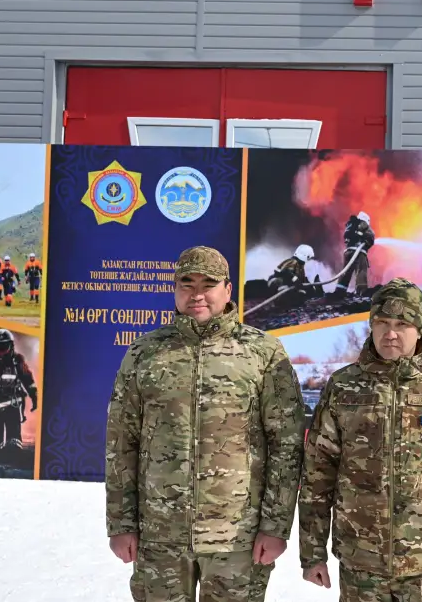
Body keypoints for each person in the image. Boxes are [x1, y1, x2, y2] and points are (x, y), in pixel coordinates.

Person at [105, 245, 306, 602]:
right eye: (187, 283)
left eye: (208, 284)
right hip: (160, 535)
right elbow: (122, 443)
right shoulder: (144, 354)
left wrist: (275, 527)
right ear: (175, 289)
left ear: (227, 290)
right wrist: (121, 524)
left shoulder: (262, 353)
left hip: (236, 538)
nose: (197, 293)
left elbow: (286, 446)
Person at [299, 277, 422, 602]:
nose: (390, 333)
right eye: (382, 322)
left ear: (420, 329)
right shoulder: (344, 387)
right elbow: (317, 474)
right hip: (360, 562)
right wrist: (312, 551)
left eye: (402, 323)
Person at [0, 328, 38, 448]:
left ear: (11, 346)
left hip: (11, 407)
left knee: (13, 443)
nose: (0, 352)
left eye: (3, 347)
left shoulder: (17, 361)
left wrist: (34, 396)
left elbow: (27, 380)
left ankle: (12, 457)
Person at [334, 211, 375, 297]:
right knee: (361, 271)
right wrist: (367, 242)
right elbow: (371, 237)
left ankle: (339, 291)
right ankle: (361, 292)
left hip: (348, 252)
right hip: (359, 252)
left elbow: (346, 237)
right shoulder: (364, 225)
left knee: (346, 272)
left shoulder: (351, 225)